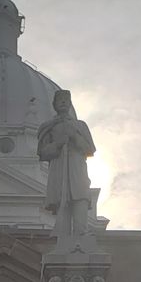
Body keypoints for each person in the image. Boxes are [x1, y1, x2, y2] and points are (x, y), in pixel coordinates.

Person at [37, 89, 95, 238]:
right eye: (60, 100)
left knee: (80, 195)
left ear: (70, 104)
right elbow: (43, 153)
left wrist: (74, 136)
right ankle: (63, 234)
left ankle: (81, 232)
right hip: (59, 165)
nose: (63, 102)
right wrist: (57, 144)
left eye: (66, 100)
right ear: (54, 105)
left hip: (76, 165)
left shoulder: (80, 125)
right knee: (62, 198)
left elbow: (89, 149)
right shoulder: (48, 127)